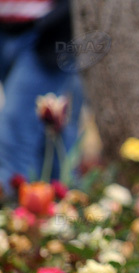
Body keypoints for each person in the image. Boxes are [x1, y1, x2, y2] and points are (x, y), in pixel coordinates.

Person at [0, 0, 82, 192]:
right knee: (46, 137)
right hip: (6, 27)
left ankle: (18, 213)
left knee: (16, 131)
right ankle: (59, 208)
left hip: (47, 31)